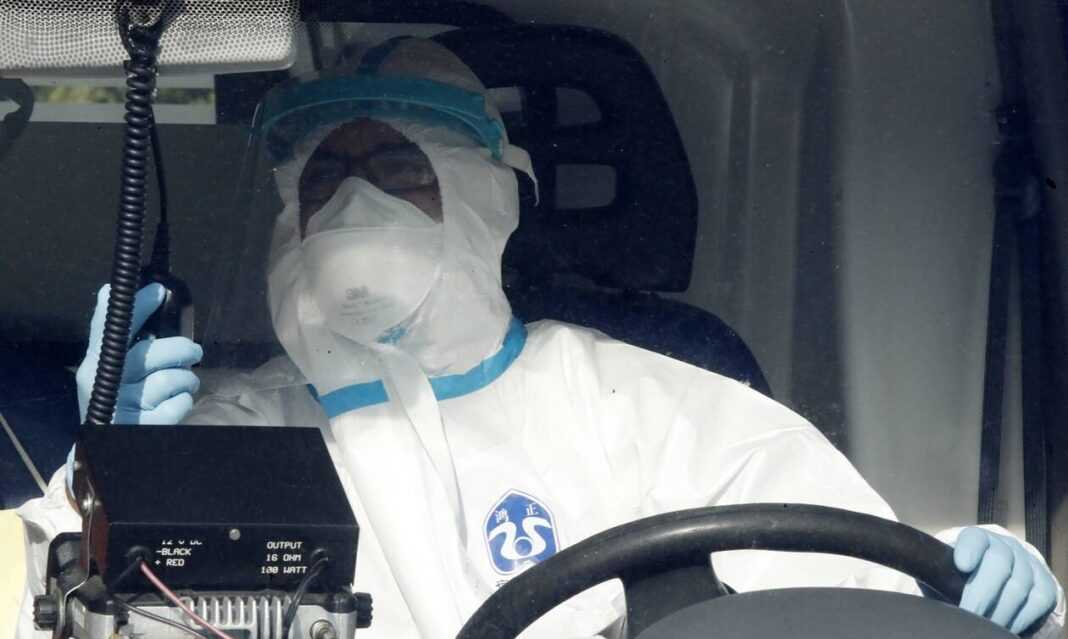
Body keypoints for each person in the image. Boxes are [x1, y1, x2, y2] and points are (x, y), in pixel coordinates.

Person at [15, 37, 1065, 638]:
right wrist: (101, 468)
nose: (354, 207)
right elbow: (36, 608)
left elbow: (841, 574)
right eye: (326, 178)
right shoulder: (228, 435)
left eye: (398, 171)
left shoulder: (644, 401)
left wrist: (969, 574)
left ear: (488, 196)